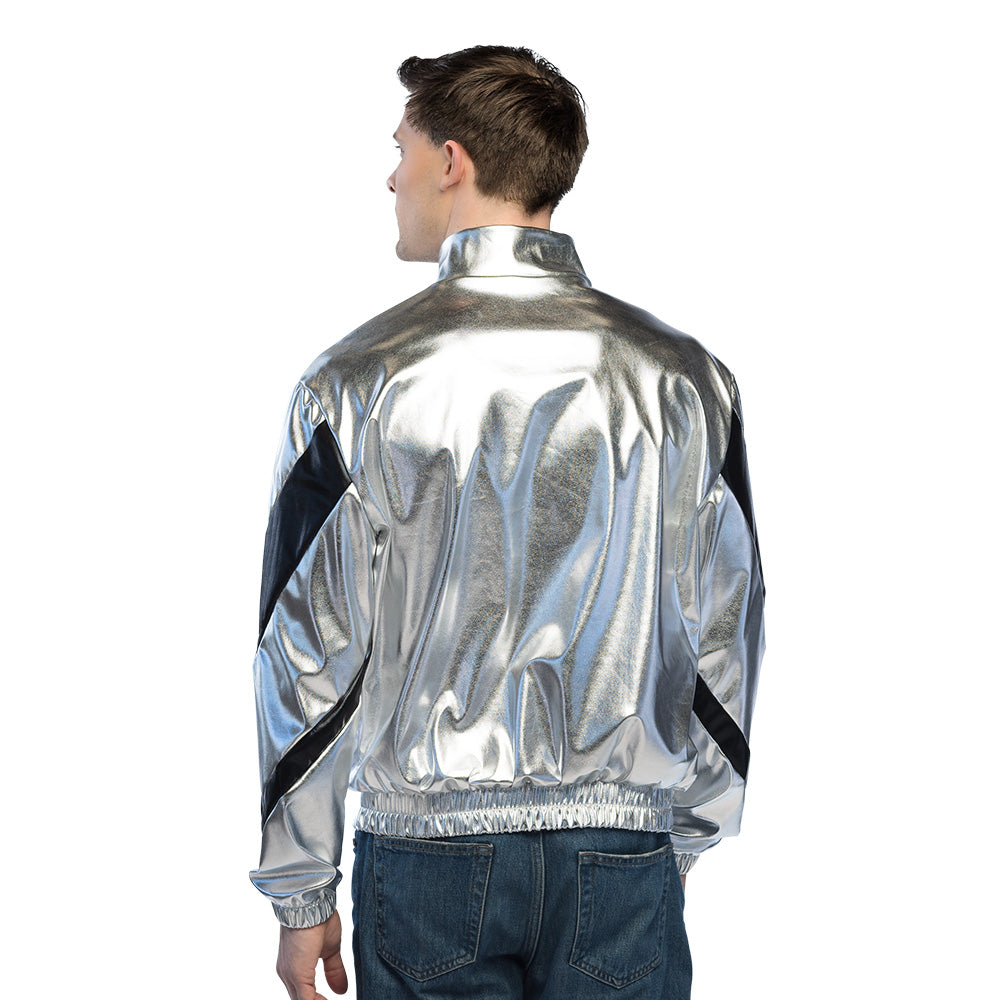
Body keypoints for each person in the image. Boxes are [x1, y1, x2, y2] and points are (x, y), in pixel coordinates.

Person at [251, 45, 764, 1000]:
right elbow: (728, 626)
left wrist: (301, 888)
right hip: (622, 850)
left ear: (453, 161)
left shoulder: (356, 383)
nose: (391, 178)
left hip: (427, 862)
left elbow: (307, 650)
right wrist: (681, 834)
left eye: (401, 149)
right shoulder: (688, 381)